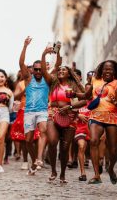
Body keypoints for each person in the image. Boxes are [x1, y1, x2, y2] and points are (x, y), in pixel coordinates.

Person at [40, 46, 86, 183]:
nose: (60, 71)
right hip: (53, 114)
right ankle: (53, 170)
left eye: (63, 70)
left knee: (65, 148)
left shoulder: (74, 85)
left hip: (70, 116)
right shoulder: (52, 82)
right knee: (53, 142)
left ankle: (63, 174)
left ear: (69, 73)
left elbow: (84, 100)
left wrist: (70, 107)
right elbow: (44, 71)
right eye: (59, 70)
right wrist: (43, 55)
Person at [77, 60, 117, 184]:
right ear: (102, 70)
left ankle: (110, 168)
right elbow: (87, 95)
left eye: (110, 69)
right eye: (105, 69)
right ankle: (97, 175)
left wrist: (115, 101)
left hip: (112, 118)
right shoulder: (95, 80)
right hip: (95, 116)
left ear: (114, 71)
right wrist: (74, 95)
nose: (107, 71)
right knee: (93, 140)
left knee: (112, 149)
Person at [19, 36, 50, 175]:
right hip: (29, 112)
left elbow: (57, 65)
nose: (38, 71)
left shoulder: (48, 79)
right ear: (32, 70)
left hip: (43, 111)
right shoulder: (28, 78)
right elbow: (21, 63)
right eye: (35, 69)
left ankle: (39, 158)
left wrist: (46, 54)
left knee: (43, 130)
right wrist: (25, 46)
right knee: (28, 140)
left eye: (40, 69)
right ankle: (33, 161)